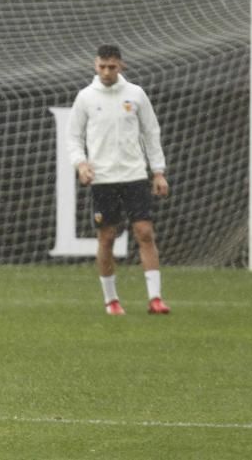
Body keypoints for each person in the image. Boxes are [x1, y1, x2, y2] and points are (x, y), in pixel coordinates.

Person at [68, 44, 170, 316]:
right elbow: (73, 137)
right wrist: (80, 164)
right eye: (101, 66)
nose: (106, 72)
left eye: (111, 67)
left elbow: (151, 132)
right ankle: (111, 301)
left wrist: (158, 172)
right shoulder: (86, 97)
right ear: (95, 65)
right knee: (107, 238)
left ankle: (155, 298)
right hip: (103, 179)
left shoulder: (135, 94)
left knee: (145, 233)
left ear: (121, 66)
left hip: (134, 175)